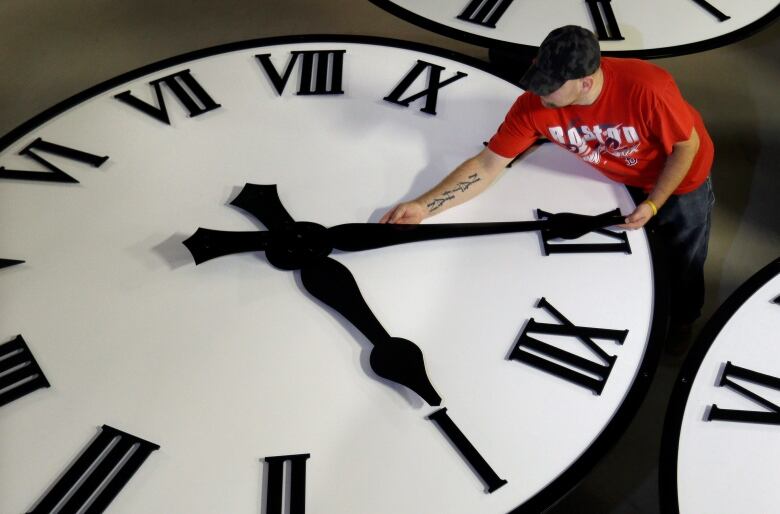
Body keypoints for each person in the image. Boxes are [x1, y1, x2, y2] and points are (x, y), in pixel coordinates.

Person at [380, 25, 715, 331]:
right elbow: (486, 165)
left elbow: (687, 148)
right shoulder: (532, 107)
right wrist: (424, 207)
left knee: (684, 255)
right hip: (618, 177)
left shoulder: (647, 89)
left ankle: (684, 320)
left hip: (681, 179)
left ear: (586, 82)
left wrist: (655, 203)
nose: (540, 95)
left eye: (551, 88)